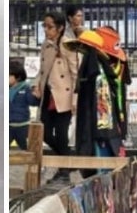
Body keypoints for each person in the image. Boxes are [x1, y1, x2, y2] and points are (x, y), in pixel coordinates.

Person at [67, 26, 128, 170]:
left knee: (104, 157)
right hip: (106, 123)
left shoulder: (101, 68)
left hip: (103, 126)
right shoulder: (106, 66)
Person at [33, 10, 79, 176]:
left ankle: (64, 171)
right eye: (44, 26)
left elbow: (76, 74)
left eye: (50, 27)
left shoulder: (68, 45)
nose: (46, 30)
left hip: (63, 95)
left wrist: (75, 99)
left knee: (61, 133)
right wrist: (37, 84)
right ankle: (67, 158)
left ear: (60, 28)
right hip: (47, 94)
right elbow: (42, 70)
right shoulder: (45, 45)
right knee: (43, 131)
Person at [9, 58, 39, 148]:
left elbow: (33, 102)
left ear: (18, 76)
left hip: (23, 126)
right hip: (8, 125)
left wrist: (37, 96)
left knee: (26, 149)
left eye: (9, 76)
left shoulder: (26, 88)